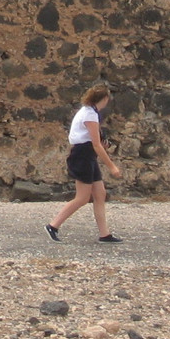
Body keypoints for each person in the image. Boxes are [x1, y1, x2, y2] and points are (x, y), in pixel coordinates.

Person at [45, 84, 123, 243]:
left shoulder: (88, 112)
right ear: (105, 99)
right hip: (83, 156)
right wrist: (112, 166)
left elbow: (93, 141)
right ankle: (53, 225)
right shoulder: (90, 115)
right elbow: (96, 144)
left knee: (99, 194)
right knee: (82, 198)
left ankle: (104, 234)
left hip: (87, 154)